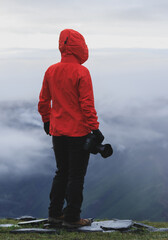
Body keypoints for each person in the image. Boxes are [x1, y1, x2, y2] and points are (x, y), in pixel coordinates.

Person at [38, 29, 105, 228]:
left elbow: (43, 101)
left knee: (61, 172)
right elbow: (86, 104)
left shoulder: (51, 70)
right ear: (80, 47)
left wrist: (47, 120)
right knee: (76, 176)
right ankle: (72, 218)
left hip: (57, 132)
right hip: (78, 133)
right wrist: (95, 129)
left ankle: (54, 214)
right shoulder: (81, 72)